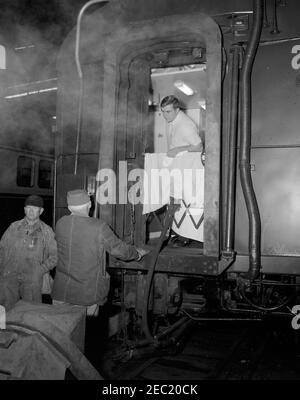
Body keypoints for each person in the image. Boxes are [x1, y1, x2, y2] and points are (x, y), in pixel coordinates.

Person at [52, 189, 148, 315]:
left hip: (61, 292)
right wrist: (137, 253)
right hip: (86, 295)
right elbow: (119, 250)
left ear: (69, 207)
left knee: (61, 332)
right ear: (89, 204)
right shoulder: (98, 226)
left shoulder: (60, 223)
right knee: (82, 332)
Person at [0, 195, 57, 310]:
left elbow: (54, 257)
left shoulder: (47, 231)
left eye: (35, 208)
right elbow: (2, 249)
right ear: (24, 209)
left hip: (32, 281)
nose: (31, 211)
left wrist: (39, 271)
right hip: (9, 279)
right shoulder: (14, 227)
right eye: (28, 207)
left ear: (41, 211)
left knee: (31, 312)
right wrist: (3, 270)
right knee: (5, 311)